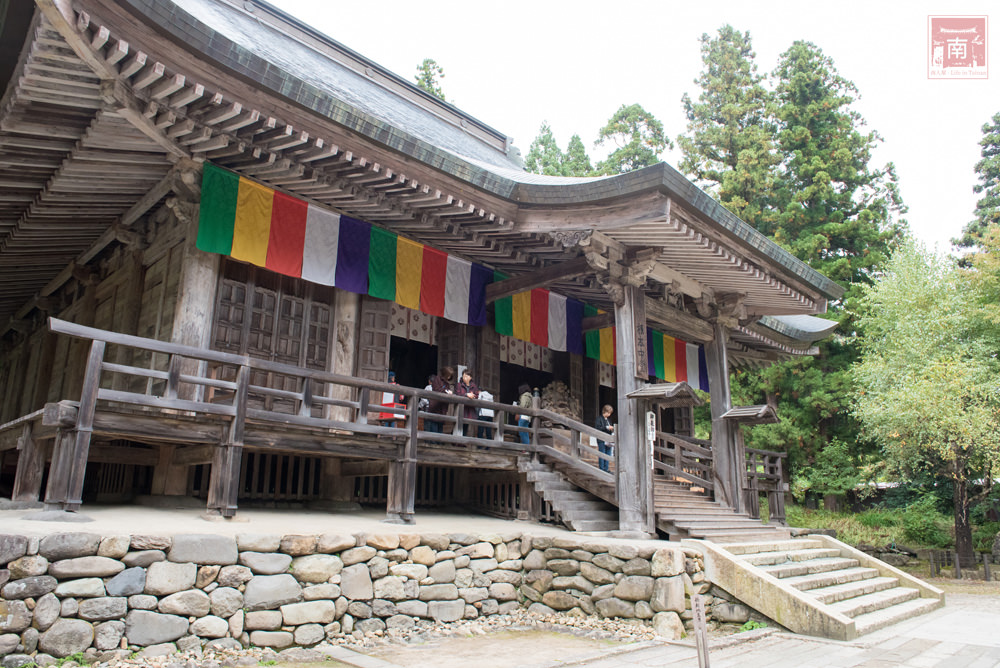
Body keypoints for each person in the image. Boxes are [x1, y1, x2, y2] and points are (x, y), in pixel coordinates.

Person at [426, 366, 455, 434]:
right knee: (434, 428)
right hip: (435, 407)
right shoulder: (437, 379)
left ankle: (439, 443)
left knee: (440, 428)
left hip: (443, 408)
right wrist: (446, 392)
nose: (449, 377)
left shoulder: (447, 384)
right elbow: (437, 390)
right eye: (448, 375)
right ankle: (433, 443)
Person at [456, 368, 479, 436]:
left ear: (470, 377)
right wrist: (466, 395)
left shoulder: (474, 386)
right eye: (463, 376)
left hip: (469, 409)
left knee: (465, 425)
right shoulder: (459, 385)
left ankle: (462, 442)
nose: (464, 378)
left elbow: (477, 395)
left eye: (466, 376)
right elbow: (458, 394)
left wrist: (473, 396)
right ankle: (456, 441)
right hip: (461, 408)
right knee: (458, 424)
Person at [595, 404, 614, 472]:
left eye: (610, 413)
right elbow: (598, 428)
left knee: (608, 453)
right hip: (601, 439)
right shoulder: (599, 419)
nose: (609, 414)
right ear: (604, 411)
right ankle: (602, 469)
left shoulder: (609, 420)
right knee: (602, 453)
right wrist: (607, 427)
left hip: (608, 439)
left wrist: (611, 429)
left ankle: (606, 469)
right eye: (608, 413)